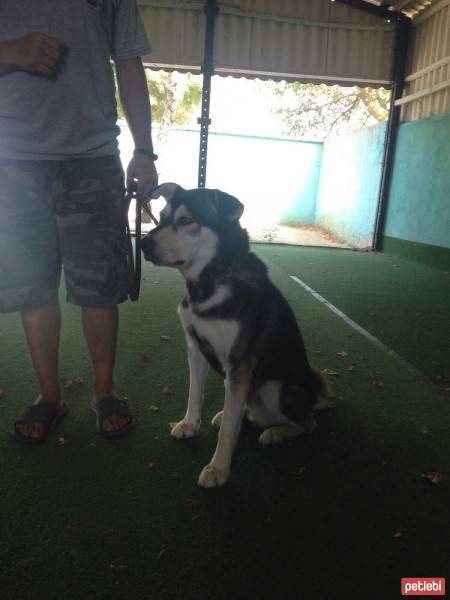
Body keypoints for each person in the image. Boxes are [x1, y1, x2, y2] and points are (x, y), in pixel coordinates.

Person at [0, 0, 158, 442]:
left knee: (100, 287)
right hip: (13, 159)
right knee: (34, 286)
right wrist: (9, 52)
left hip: (93, 158)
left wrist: (143, 150)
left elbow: (128, 62)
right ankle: (49, 396)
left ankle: (104, 392)